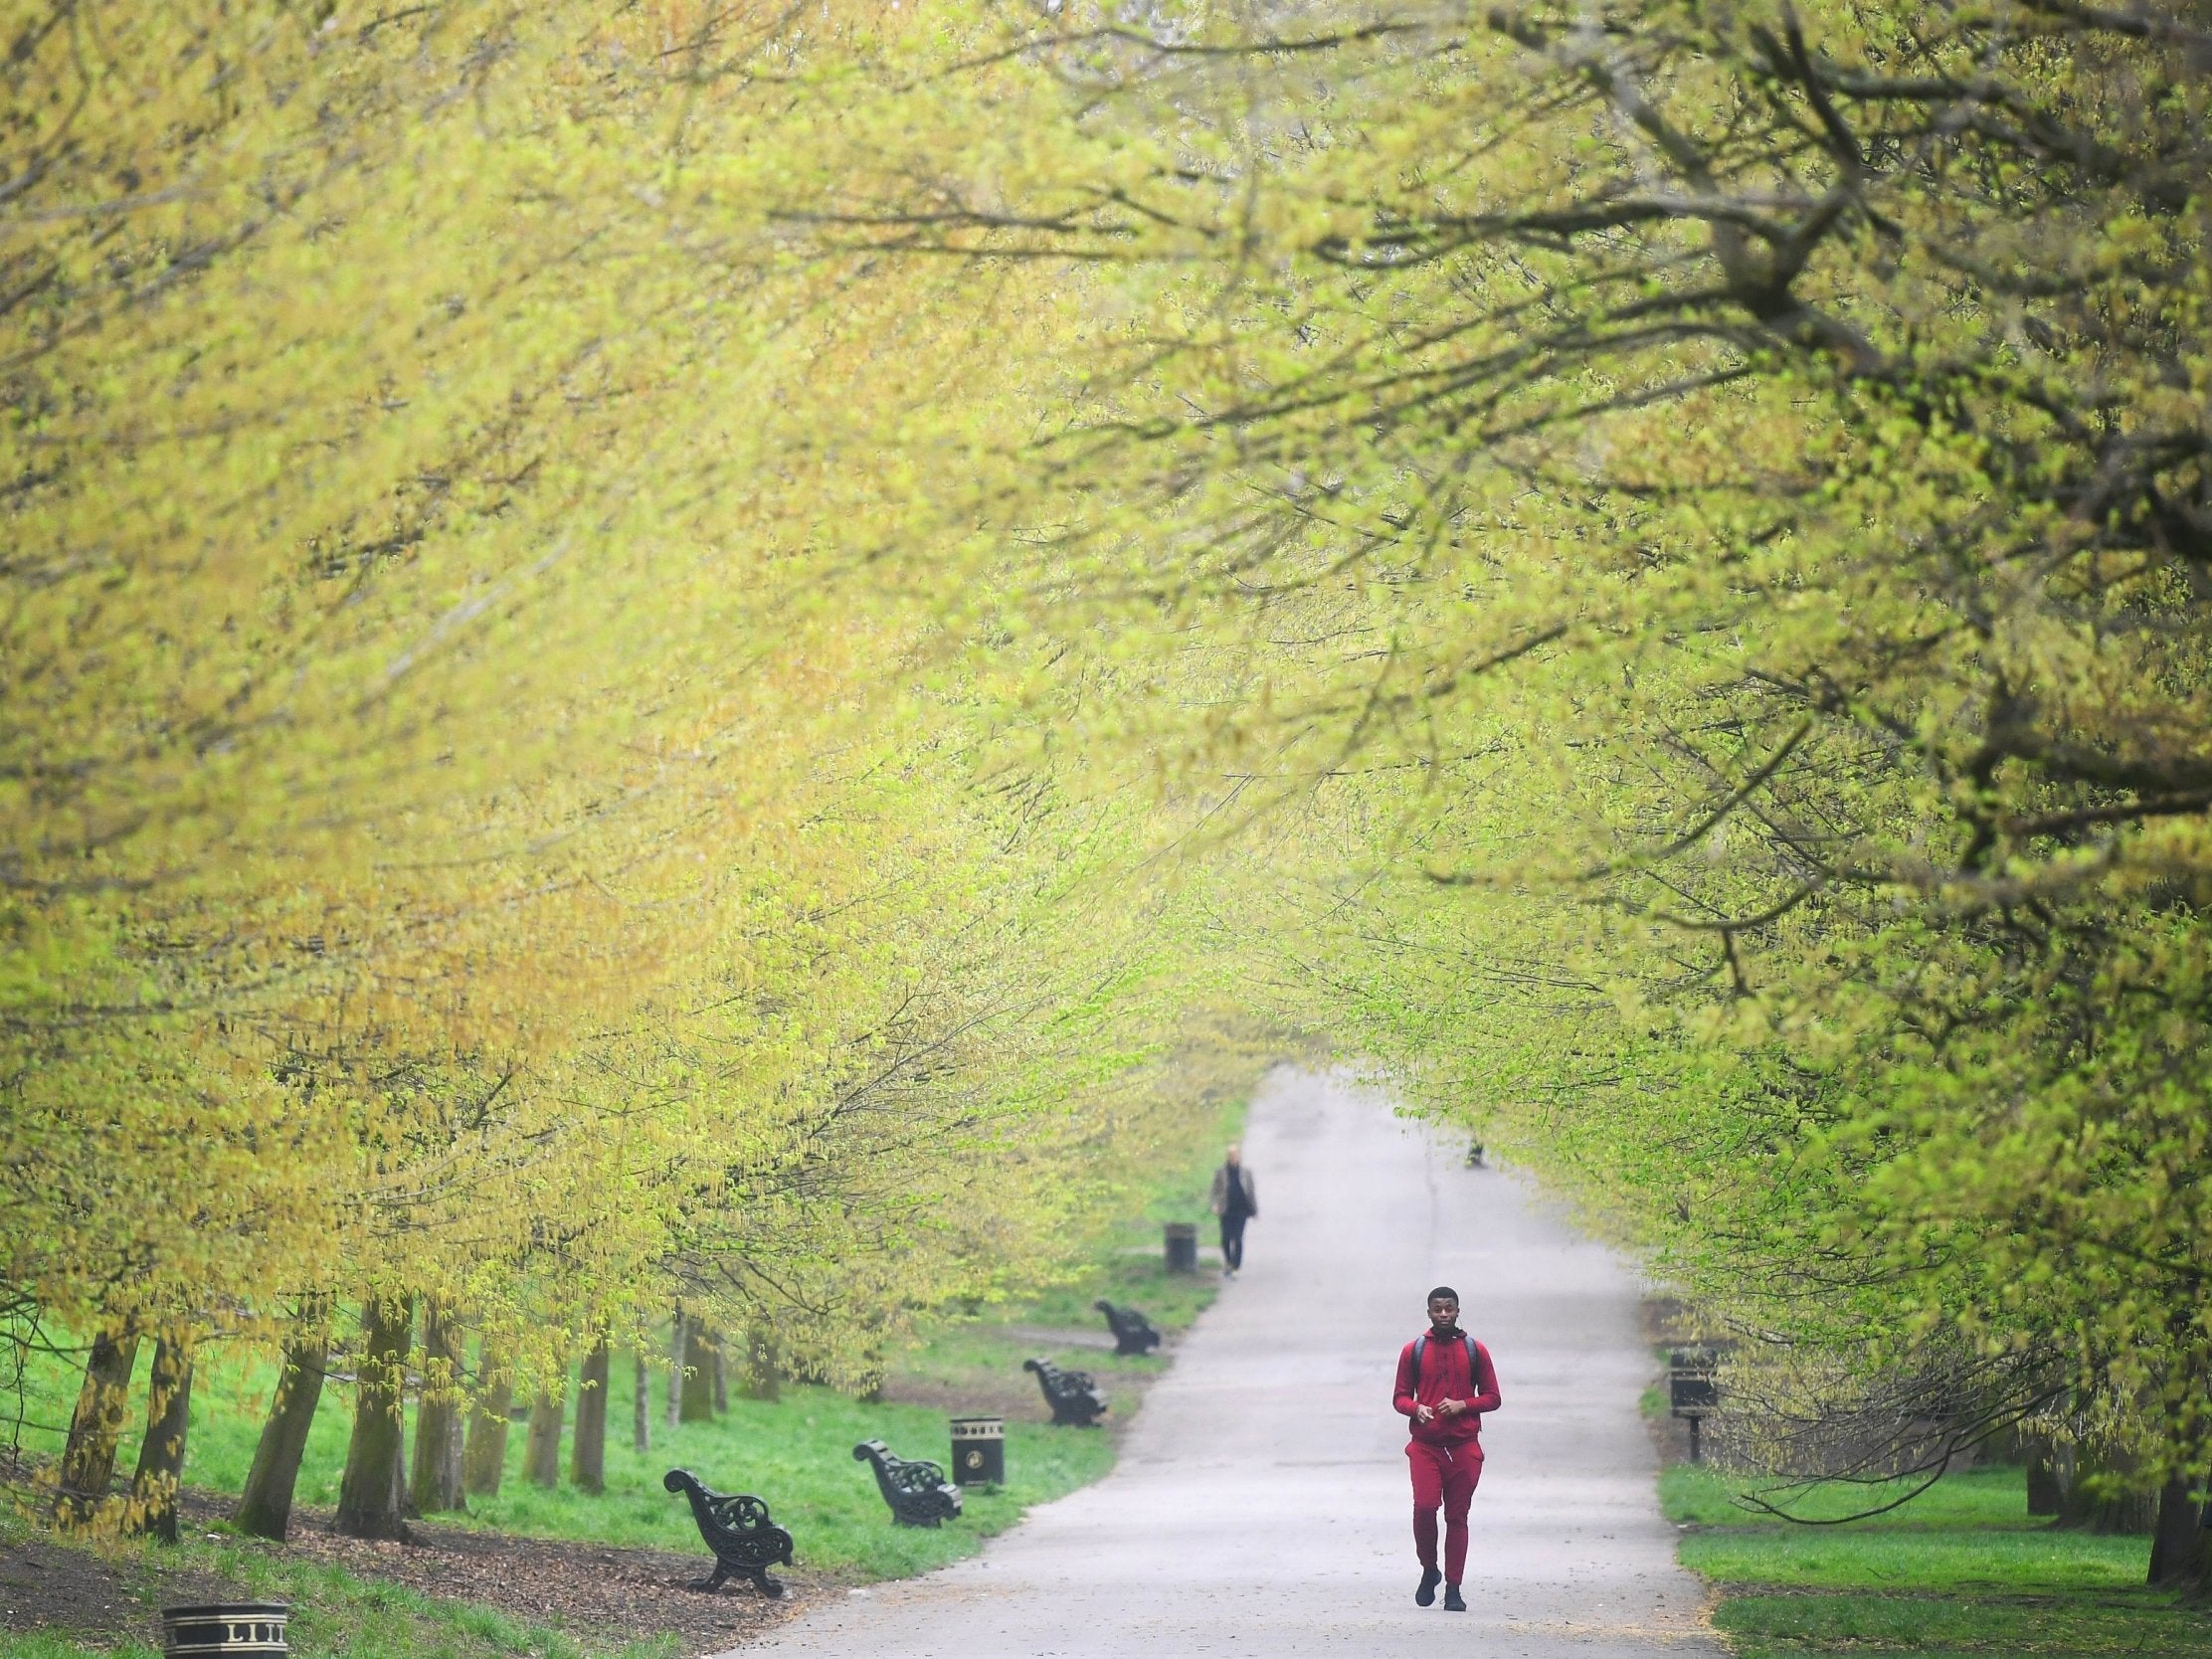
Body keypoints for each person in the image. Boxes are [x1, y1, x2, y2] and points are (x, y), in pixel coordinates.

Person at [1391, 1286, 1501, 1611]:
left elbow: (1493, 1397)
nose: (1443, 1314)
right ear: (1428, 1313)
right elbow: (1399, 1397)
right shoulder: (1413, 1351)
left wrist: (1463, 1405)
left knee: (1457, 1516)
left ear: (1457, 1311)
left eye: (1448, 1309)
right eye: (1437, 1309)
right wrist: (1416, 1409)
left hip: (1464, 1447)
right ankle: (1429, 1568)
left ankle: (1454, 1588)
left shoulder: (1474, 1350)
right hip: (1425, 1447)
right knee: (1425, 1507)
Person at [1207, 1144, 1257, 1277]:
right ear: (1227, 1156)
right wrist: (1214, 1204)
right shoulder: (1221, 1172)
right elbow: (1214, 1191)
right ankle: (1228, 1261)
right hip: (1226, 1209)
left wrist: (1254, 1210)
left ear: (1239, 1156)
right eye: (1230, 1155)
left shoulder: (1246, 1173)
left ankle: (1236, 1266)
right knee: (1225, 1238)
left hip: (1241, 1210)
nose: (1233, 1157)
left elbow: (1251, 1192)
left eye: (1235, 1155)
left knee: (1238, 1238)